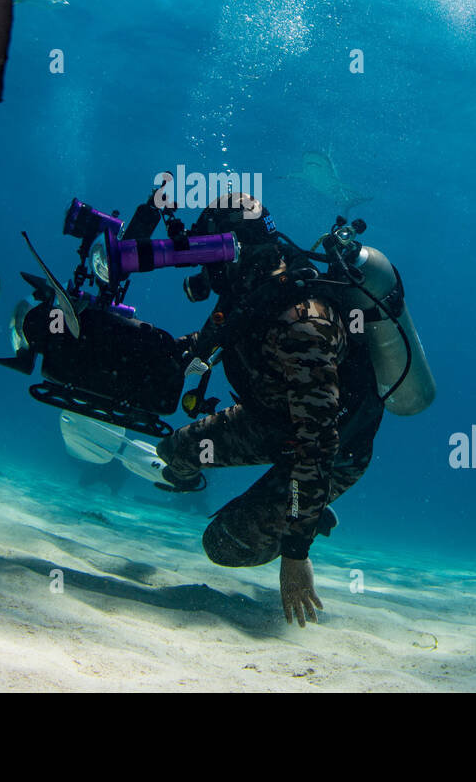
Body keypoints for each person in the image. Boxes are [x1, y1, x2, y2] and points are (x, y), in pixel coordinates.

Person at [156, 193, 432, 627]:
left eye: (208, 253)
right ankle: (296, 502)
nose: (203, 270)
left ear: (231, 250)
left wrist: (295, 554)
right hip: (270, 420)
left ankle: (308, 511)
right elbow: (217, 340)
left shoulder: (302, 325)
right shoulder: (249, 290)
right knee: (174, 451)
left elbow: (318, 444)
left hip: (329, 452)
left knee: (223, 544)